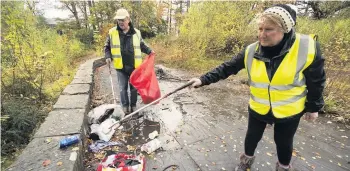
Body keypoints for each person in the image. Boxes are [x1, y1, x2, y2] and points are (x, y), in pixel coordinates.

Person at [188, 4, 325, 171]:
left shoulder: (306, 47)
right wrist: (202, 80)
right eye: (260, 28)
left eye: (268, 29)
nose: (262, 34)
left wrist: (314, 107)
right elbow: (227, 67)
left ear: (285, 29)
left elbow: (316, 80)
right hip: (258, 108)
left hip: (289, 111)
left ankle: (283, 167)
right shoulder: (251, 50)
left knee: (284, 143)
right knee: (251, 137)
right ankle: (246, 162)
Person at [104, 8, 154, 114]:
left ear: (128, 19)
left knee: (134, 88)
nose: (121, 22)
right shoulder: (112, 32)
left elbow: (142, 45)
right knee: (122, 88)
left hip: (134, 67)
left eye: (123, 19)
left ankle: (133, 105)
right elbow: (107, 47)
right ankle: (125, 106)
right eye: (119, 20)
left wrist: (150, 51)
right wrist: (108, 56)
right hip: (120, 67)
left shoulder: (136, 32)